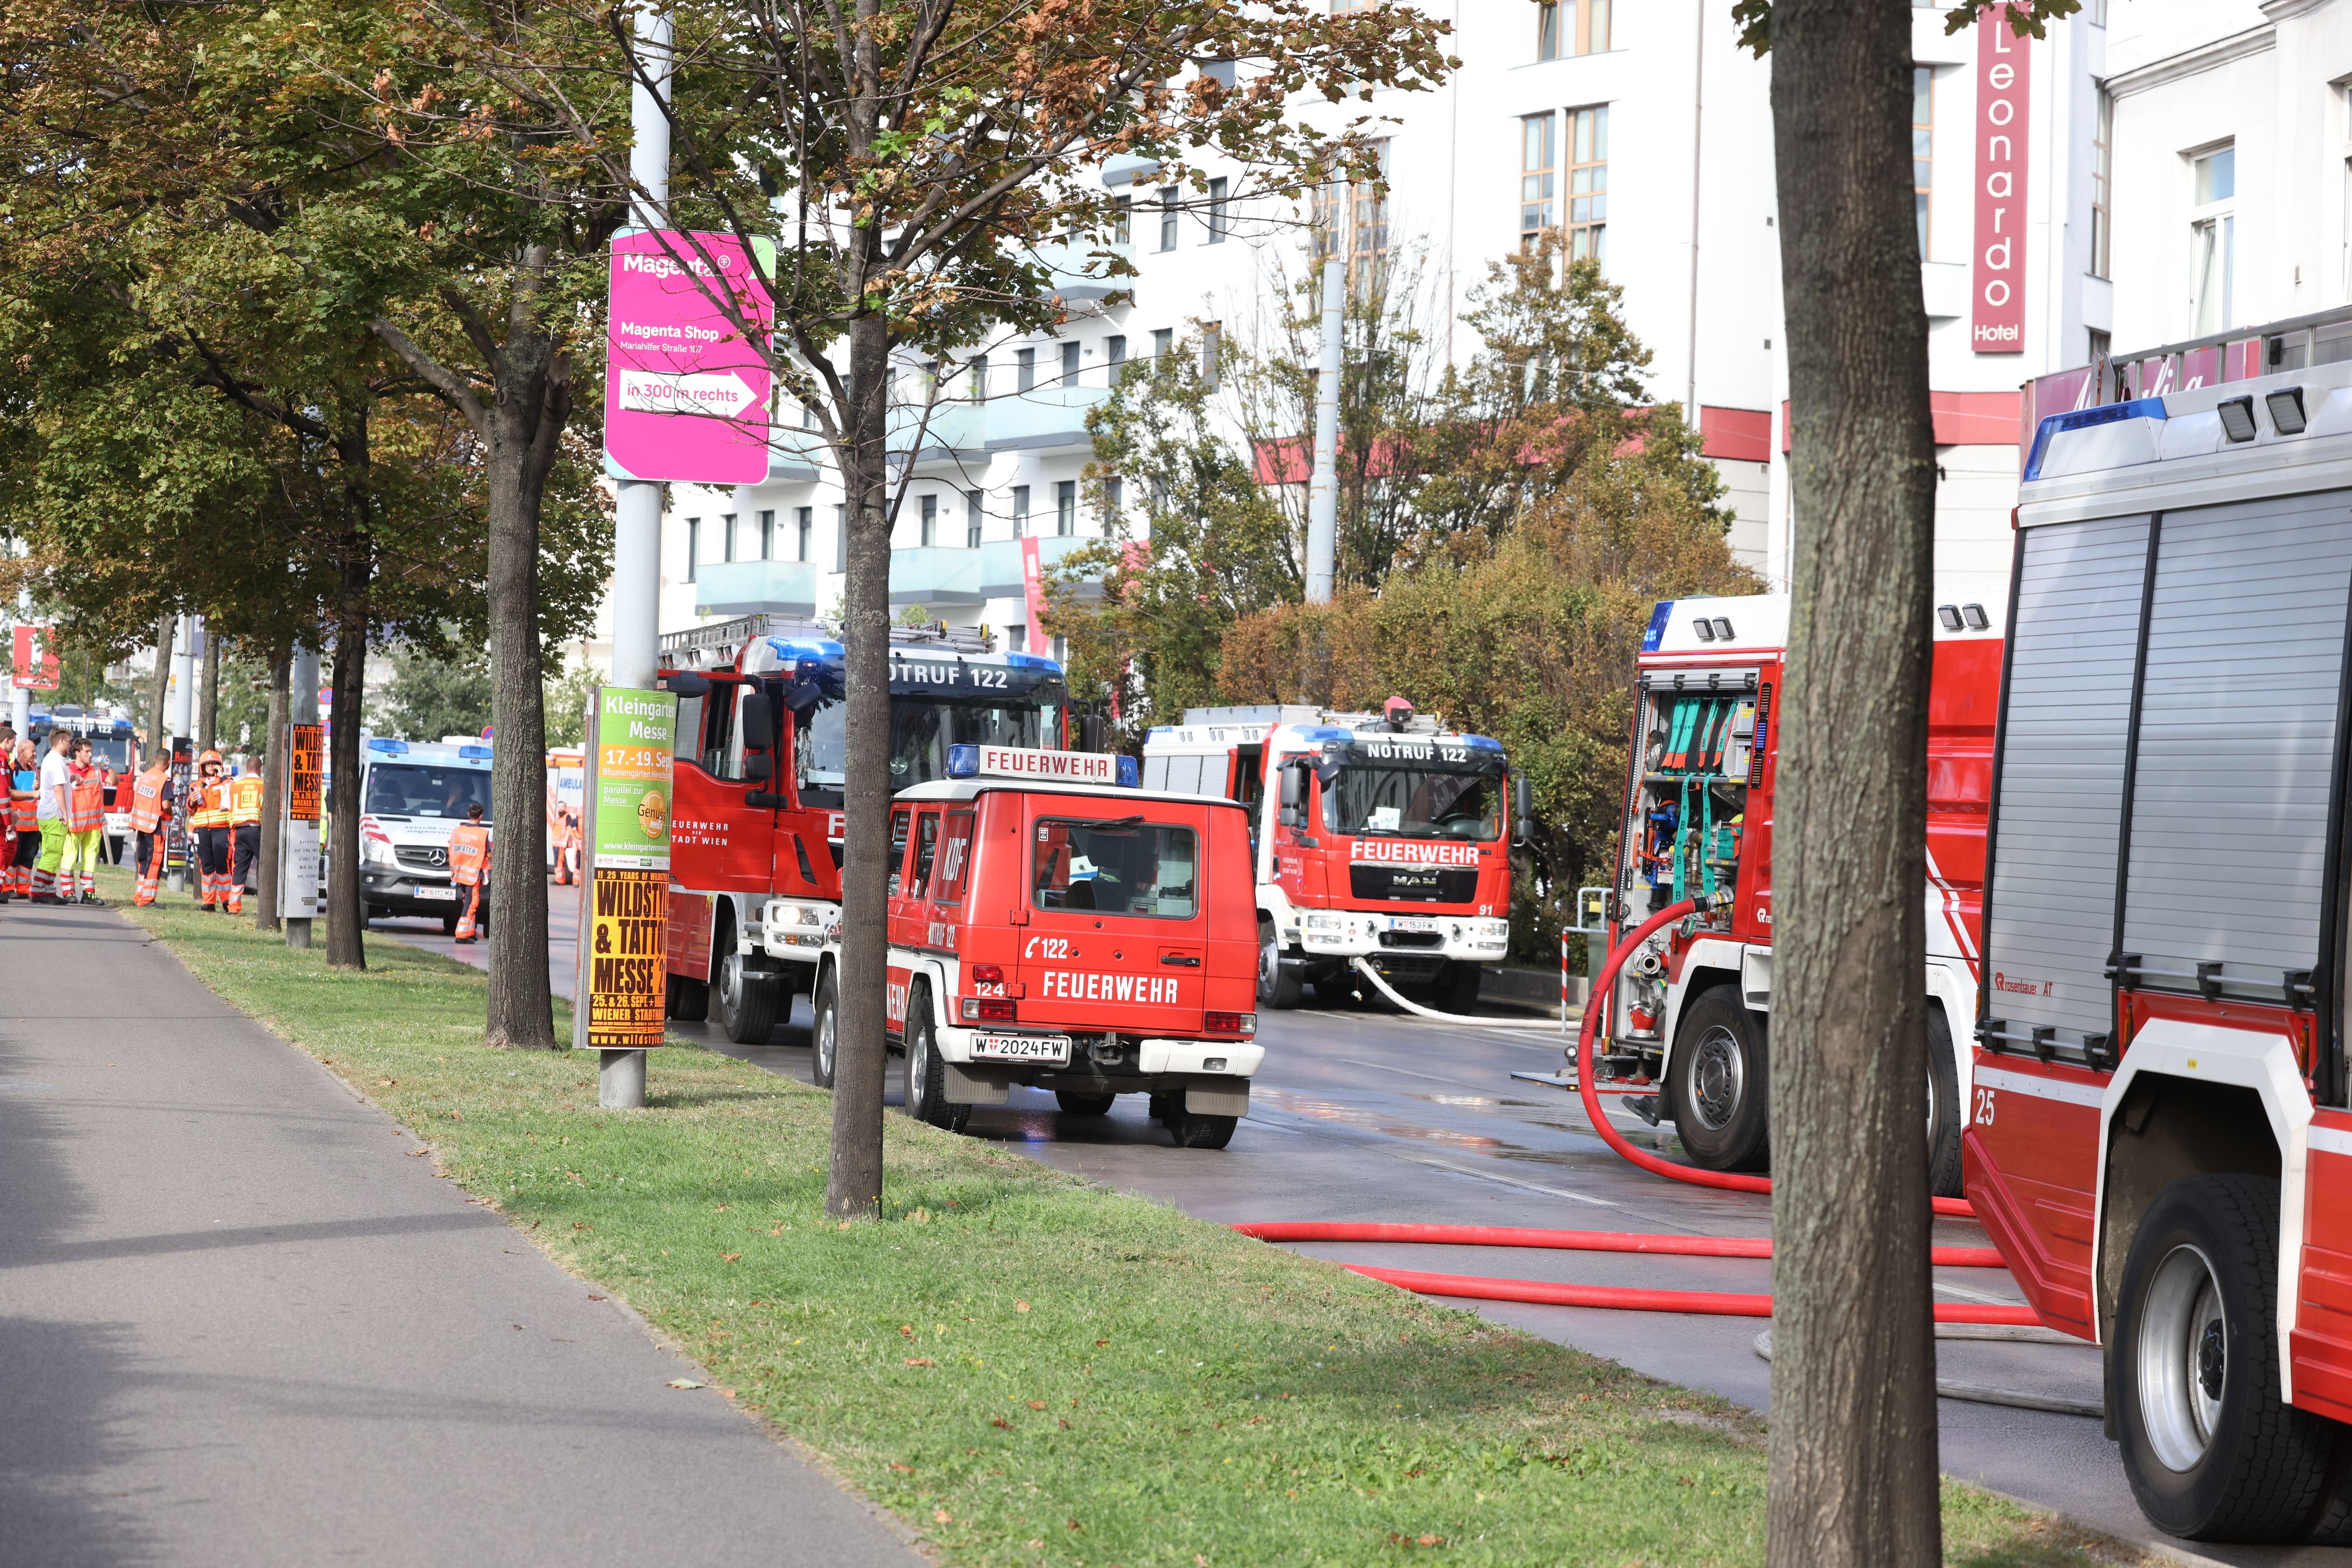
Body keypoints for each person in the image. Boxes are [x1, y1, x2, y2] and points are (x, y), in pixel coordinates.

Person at [58, 738, 105, 903]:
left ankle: (89, 893)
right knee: (69, 858)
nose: (91, 755)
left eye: (91, 751)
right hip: (74, 825)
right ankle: (68, 892)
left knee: (90, 859)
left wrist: (109, 767)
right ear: (77, 753)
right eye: (87, 751)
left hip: (93, 825)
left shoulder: (96, 771)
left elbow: (114, 782)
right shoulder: (67, 772)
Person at [186, 750, 232, 911]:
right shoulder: (196, 785)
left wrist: (223, 776)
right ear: (202, 767)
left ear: (220, 765)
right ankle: (209, 902)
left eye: (214, 764)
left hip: (221, 830)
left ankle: (228, 902)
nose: (211, 766)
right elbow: (190, 811)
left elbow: (233, 794)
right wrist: (191, 803)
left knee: (222, 866)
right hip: (202, 832)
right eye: (208, 764)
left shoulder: (225, 782)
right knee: (206, 867)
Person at [31, 728, 71, 901]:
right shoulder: (56, 761)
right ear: (62, 741)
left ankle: (48, 889)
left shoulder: (51, 759)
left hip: (48, 812)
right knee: (52, 854)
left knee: (52, 853)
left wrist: (73, 778)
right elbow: (57, 788)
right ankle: (39, 890)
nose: (70, 744)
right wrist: (64, 812)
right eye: (69, 741)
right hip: (55, 814)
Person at [129, 750, 169, 907]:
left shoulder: (145, 777)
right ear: (169, 762)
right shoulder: (163, 780)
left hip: (142, 826)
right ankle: (147, 899)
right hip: (155, 827)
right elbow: (166, 805)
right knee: (154, 862)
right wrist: (170, 813)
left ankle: (139, 895)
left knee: (144, 861)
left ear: (154, 760)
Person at [448, 801, 490, 943]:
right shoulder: (482, 834)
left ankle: (470, 931)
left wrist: (452, 869)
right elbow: (489, 855)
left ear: (468, 814)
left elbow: (451, 848)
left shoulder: (457, 831)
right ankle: (461, 935)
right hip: (473, 874)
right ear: (481, 816)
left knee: (468, 900)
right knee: (472, 903)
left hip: (459, 873)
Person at [228, 756, 264, 916]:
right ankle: (266, 907)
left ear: (247, 768)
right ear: (260, 770)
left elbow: (224, 806)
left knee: (240, 869)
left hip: (240, 832)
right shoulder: (264, 786)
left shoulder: (235, 786)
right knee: (265, 867)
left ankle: (233, 907)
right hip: (257, 831)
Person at [8, 740, 38, 901]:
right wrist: (32, 794)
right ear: (22, 751)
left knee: (28, 858)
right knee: (13, 858)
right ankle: (7, 888)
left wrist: (37, 787)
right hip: (18, 823)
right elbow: (10, 792)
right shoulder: (11, 768)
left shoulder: (33, 769)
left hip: (33, 825)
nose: (35, 753)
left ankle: (23, 889)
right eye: (32, 750)